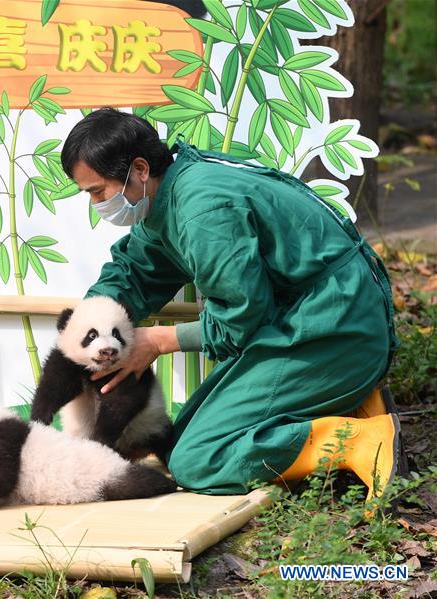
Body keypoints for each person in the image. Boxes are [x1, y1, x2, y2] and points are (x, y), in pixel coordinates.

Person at [61, 107, 402, 501]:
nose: (96, 203)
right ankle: (353, 403)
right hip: (306, 319)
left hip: (336, 327)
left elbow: (240, 317)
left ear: (139, 169)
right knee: (175, 443)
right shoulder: (172, 193)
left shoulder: (202, 211)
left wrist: (157, 341)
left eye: (97, 191)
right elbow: (135, 271)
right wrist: (90, 329)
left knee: (200, 460)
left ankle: (360, 439)